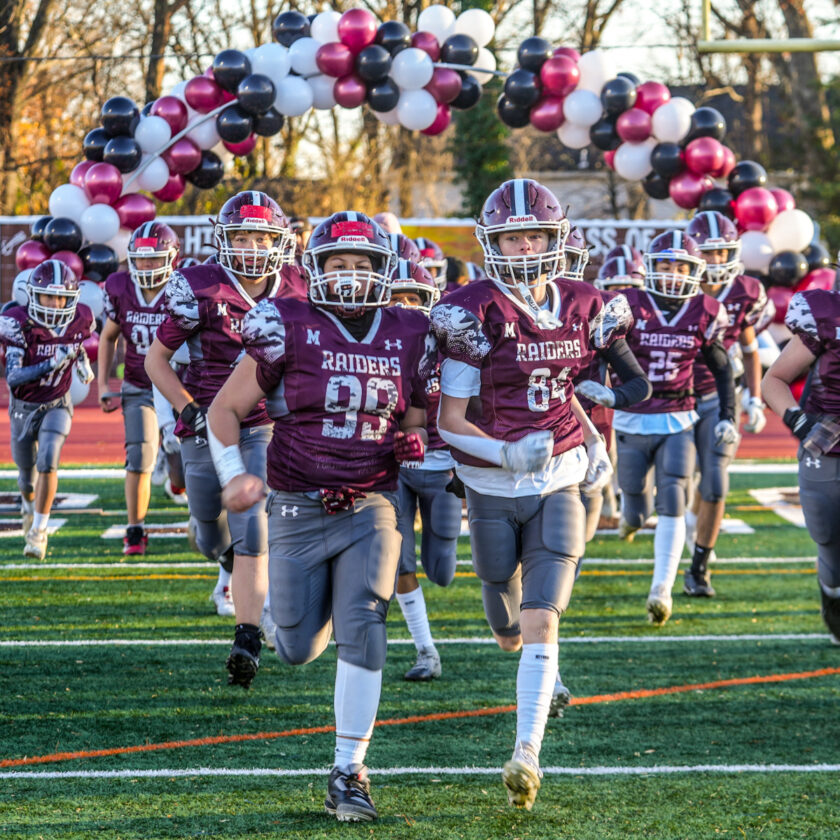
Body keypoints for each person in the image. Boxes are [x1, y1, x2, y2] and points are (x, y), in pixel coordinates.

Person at [207, 211, 435, 822]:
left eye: (364, 265)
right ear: (315, 269)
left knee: (364, 622)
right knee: (298, 648)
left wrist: (415, 438)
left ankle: (348, 771)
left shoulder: (410, 330)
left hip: (372, 501)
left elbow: (413, 414)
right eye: (340, 265)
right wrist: (236, 476)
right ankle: (305, 615)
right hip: (296, 504)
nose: (353, 277)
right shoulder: (288, 322)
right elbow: (225, 410)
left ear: (386, 270)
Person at [432, 178, 632, 811]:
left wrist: (597, 439)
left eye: (535, 237)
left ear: (555, 238)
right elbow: (448, 420)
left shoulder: (583, 302)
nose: (524, 248)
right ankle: (531, 666)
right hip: (491, 482)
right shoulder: (473, 311)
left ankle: (526, 752)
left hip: (559, 479)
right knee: (506, 617)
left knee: (545, 614)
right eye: (512, 238)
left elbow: (596, 384)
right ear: (493, 243)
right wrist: (502, 452)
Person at [145, 190, 301, 682]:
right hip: (206, 421)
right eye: (242, 236)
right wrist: (187, 408)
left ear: (279, 241)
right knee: (207, 525)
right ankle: (230, 562)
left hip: (262, 423)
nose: (252, 246)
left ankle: (248, 635)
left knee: (252, 520)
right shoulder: (200, 286)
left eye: (261, 236)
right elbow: (155, 360)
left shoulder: (297, 286)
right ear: (224, 239)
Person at [589, 231, 735, 626]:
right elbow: (601, 355)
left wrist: (728, 415)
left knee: (674, 493)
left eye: (682, 266)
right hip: (633, 418)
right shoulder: (628, 306)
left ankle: (662, 589)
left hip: (679, 417)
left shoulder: (706, 309)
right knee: (635, 503)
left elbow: (723, 368)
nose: (673, 273)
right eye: (666, 265)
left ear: (695, 270)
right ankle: (631, 518)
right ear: (648, 269)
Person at [682, 211, 769, 596]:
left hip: (721, 395)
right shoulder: (675, 283)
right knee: (681, 479)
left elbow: (750, 349)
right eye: (709, 253)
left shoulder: (745, 292)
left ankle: (699, 567)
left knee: (715, 483)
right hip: (675, 397)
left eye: (723, 253)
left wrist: (755, 397)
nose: (716, 261)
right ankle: (687, 521)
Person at [388, 259, 460, 681]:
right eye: (396, 298)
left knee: (442, 570)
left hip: (443, 467)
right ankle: (426, 650)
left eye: (414, 298)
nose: (406, 306)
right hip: (392, 468)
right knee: (399, 563)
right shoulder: (370, 346)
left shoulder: (454, 346)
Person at [0, 260, 94, 559]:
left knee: (49, 458)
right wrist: (51, 363)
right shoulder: (18, 323)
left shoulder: (80, 318)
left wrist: (82, 363)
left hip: (57, 401)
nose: (54, 303)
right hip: (24, 407)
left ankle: (39, 532)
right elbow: (13, 378)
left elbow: (77, 345)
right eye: (47, 296)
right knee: (27, 479)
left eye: (60, 297)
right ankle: (29, 505)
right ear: (32, 295)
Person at [762, 288, 840, 643]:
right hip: (829, 442)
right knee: (827, 537)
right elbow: (774, 380)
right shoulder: (827, 315)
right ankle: (832, 593)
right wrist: (798, 421)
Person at [98, 222, 181, 554]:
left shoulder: (183, 288)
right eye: (141, 258)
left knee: (182, 465)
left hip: (178, 386)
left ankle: (174, 470)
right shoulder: (121, 287)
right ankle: (135, 529)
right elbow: (108, 336)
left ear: (171, 258)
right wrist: (104, 383)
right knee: (139, 456)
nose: (145, 265)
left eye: (153, 258)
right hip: (139, 384)